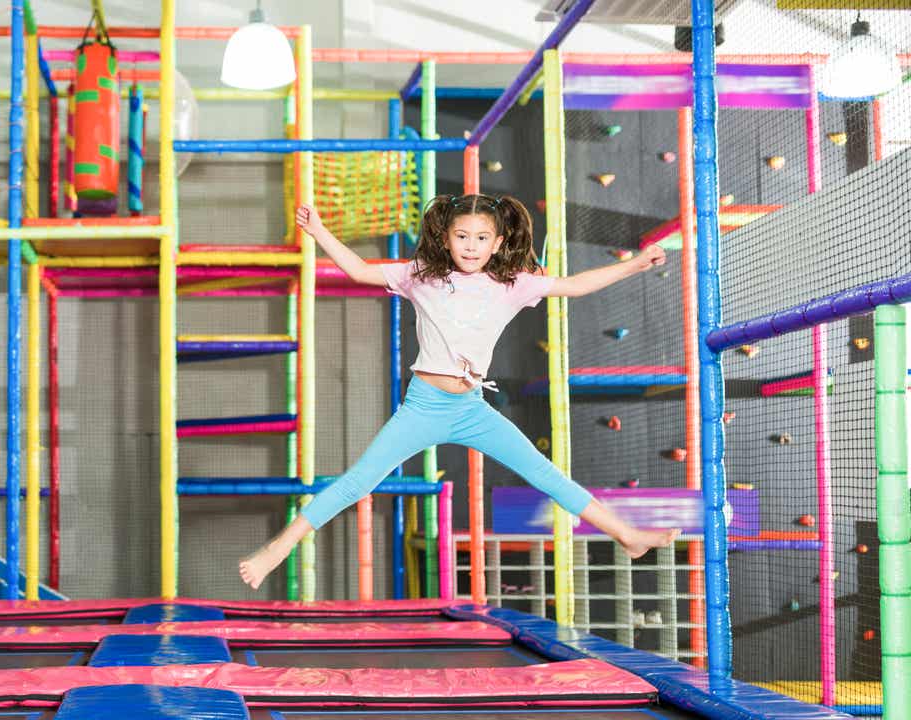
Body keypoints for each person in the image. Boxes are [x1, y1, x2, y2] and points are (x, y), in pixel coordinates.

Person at [239, 196, 680, 590]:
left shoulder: (514, 284)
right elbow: (357, 270)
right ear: (446, 239)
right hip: (423, 406)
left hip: (472, 409)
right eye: (462, 236)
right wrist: (318, 231)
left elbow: (576, 285)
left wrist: (636, 263)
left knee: (545, 473)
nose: (471, 245)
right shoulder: (420, 276)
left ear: (498, 241)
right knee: (359, 481)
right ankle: (277, 549)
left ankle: (628, 535)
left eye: (481, 237)